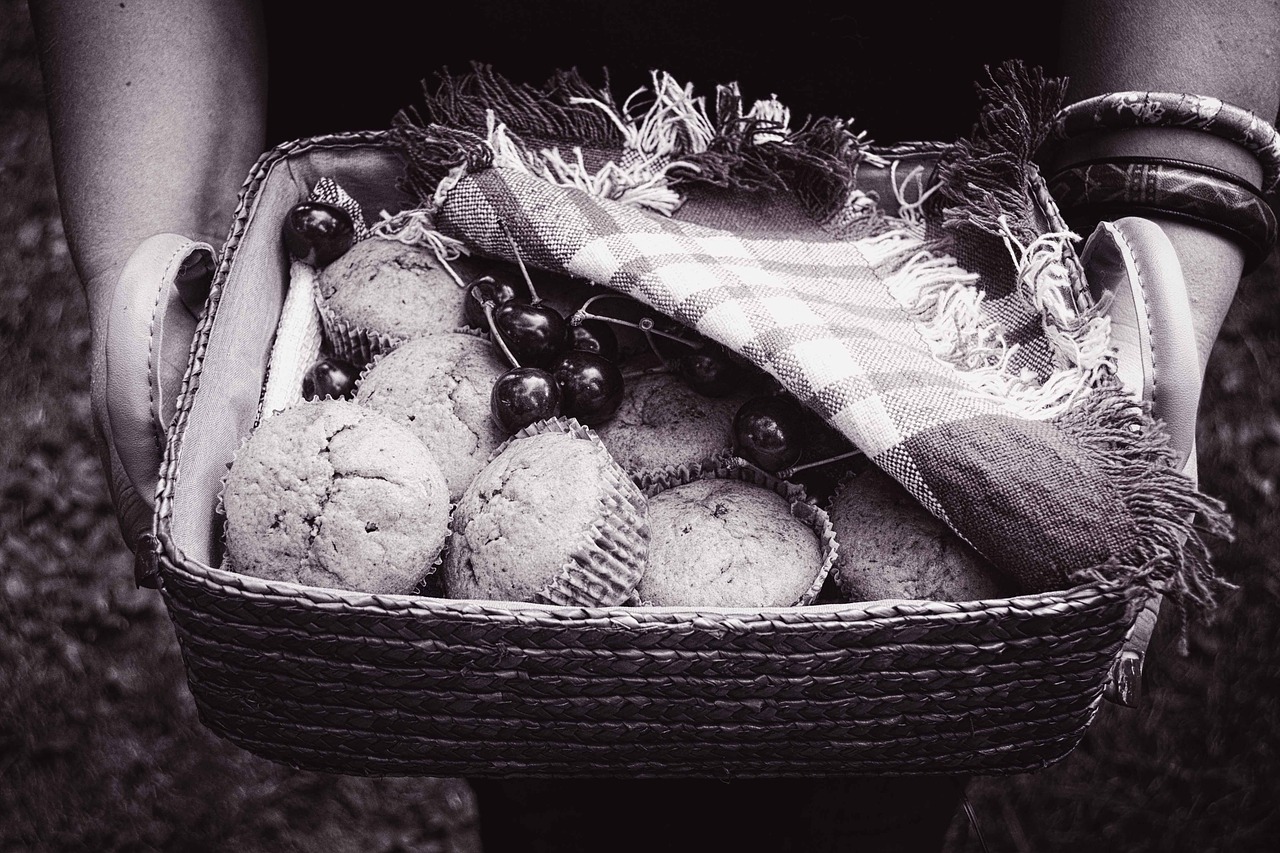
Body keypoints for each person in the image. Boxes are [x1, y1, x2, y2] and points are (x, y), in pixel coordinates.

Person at [25, 2, 1280, 851]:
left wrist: (1165, 223)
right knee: (533, 728)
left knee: (871, 761)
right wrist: (155, 249)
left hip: (904, 172)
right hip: (475, 170)